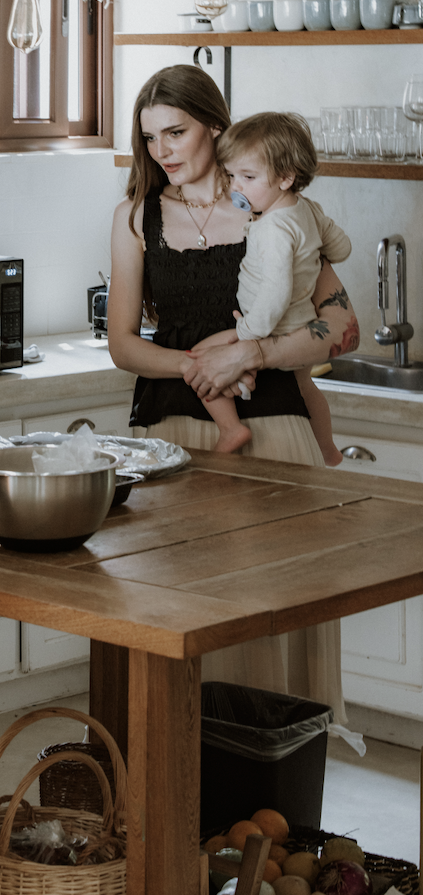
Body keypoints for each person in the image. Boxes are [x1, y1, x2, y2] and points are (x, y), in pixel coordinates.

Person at [107, 65, 358, 717]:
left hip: (275, 431)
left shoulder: (271, 207)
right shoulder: (137, 217)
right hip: (171, 443)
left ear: (214, 128)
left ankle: (278, 806)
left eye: (177, 131)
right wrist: (199, 366)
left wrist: (252, 352)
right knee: (176, 629)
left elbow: (341, 326)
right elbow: (123, 345)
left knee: (272, 626)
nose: (162, 150)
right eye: (151, 137)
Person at [193, 112, 352, 461]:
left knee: (199, 360)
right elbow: (341, 246)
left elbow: (276, 292)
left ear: (285, 178)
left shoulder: (274, 230)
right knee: (304, 386)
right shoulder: (306, 209)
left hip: (271, 327)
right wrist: (315, 252)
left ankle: (230, 428)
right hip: (301, 324)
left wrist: (249, 331)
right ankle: (327, 448)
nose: (236, 187)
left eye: (248, 177)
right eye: (232, 175)